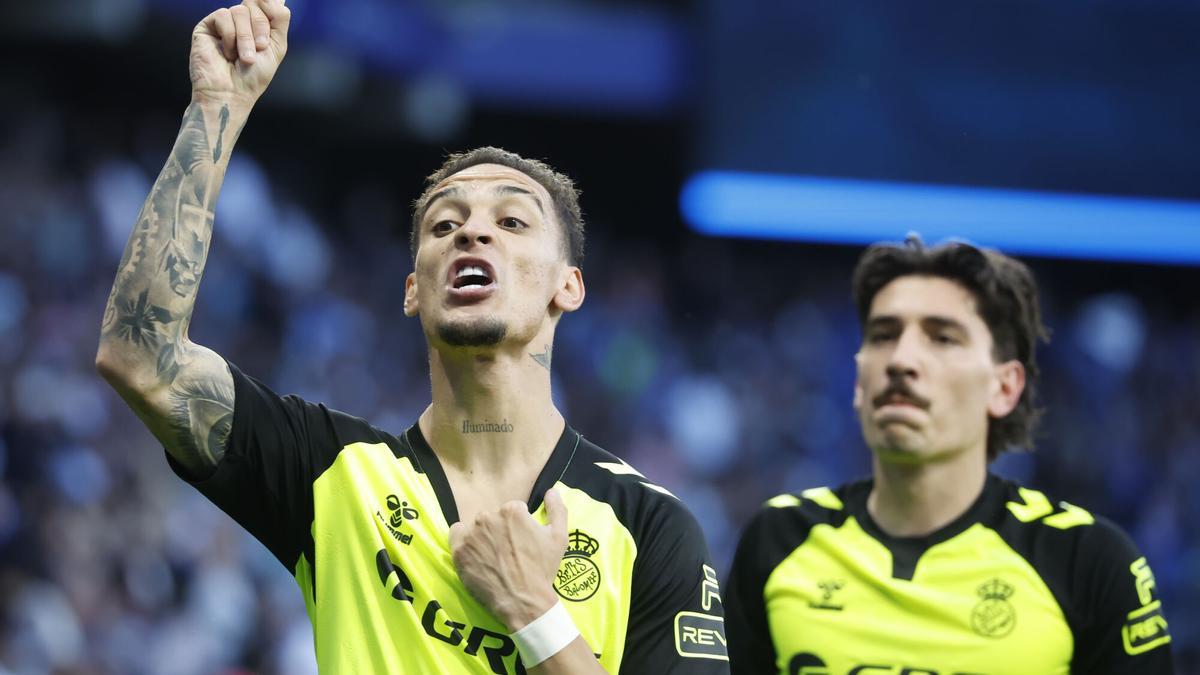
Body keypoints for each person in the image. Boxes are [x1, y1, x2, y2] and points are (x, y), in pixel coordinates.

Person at [94, 1, 728, 672]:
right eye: (444, 225)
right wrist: (215, 109)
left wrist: (532, 611)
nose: (473, 232)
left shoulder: (650, 527)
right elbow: (143, 358)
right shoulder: (332, 475)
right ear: (413, 290)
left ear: (567, 286)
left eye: (512, 222)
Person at [725, 237, 1174, 674]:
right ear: (860, 383)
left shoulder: (1086, 561)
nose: (901, 360)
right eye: (883, 335)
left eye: (942, 338)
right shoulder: (778, 540)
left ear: (1004, 387)